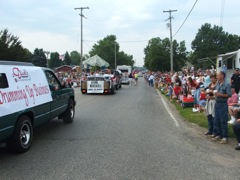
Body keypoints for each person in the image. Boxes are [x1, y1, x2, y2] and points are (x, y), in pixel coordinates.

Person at [212, 71, 232, 144]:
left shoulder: (227, 84)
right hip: (217, 102)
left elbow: (229, 95)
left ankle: (225, 136)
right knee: (216, 119)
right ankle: (219, 134)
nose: (217, 77)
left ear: (222, 76)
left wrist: (219, 94)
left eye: (218, 75)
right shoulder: (217, 84)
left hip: (223, 103)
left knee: (223, 120)